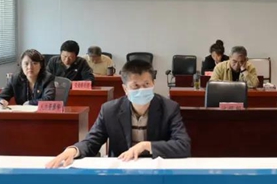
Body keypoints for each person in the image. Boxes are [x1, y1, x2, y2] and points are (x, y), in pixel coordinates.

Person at [46, 60, 191, 167]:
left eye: (147, 84)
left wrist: (146, 146)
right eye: (135, 86)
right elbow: (92, 142)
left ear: (153, 84)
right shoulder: (110, 110)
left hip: (156, 169)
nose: (142, 89)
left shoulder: (169, 108)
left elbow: (183, 145)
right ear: (125, 89)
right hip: (122, 168)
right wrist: (74, 150)